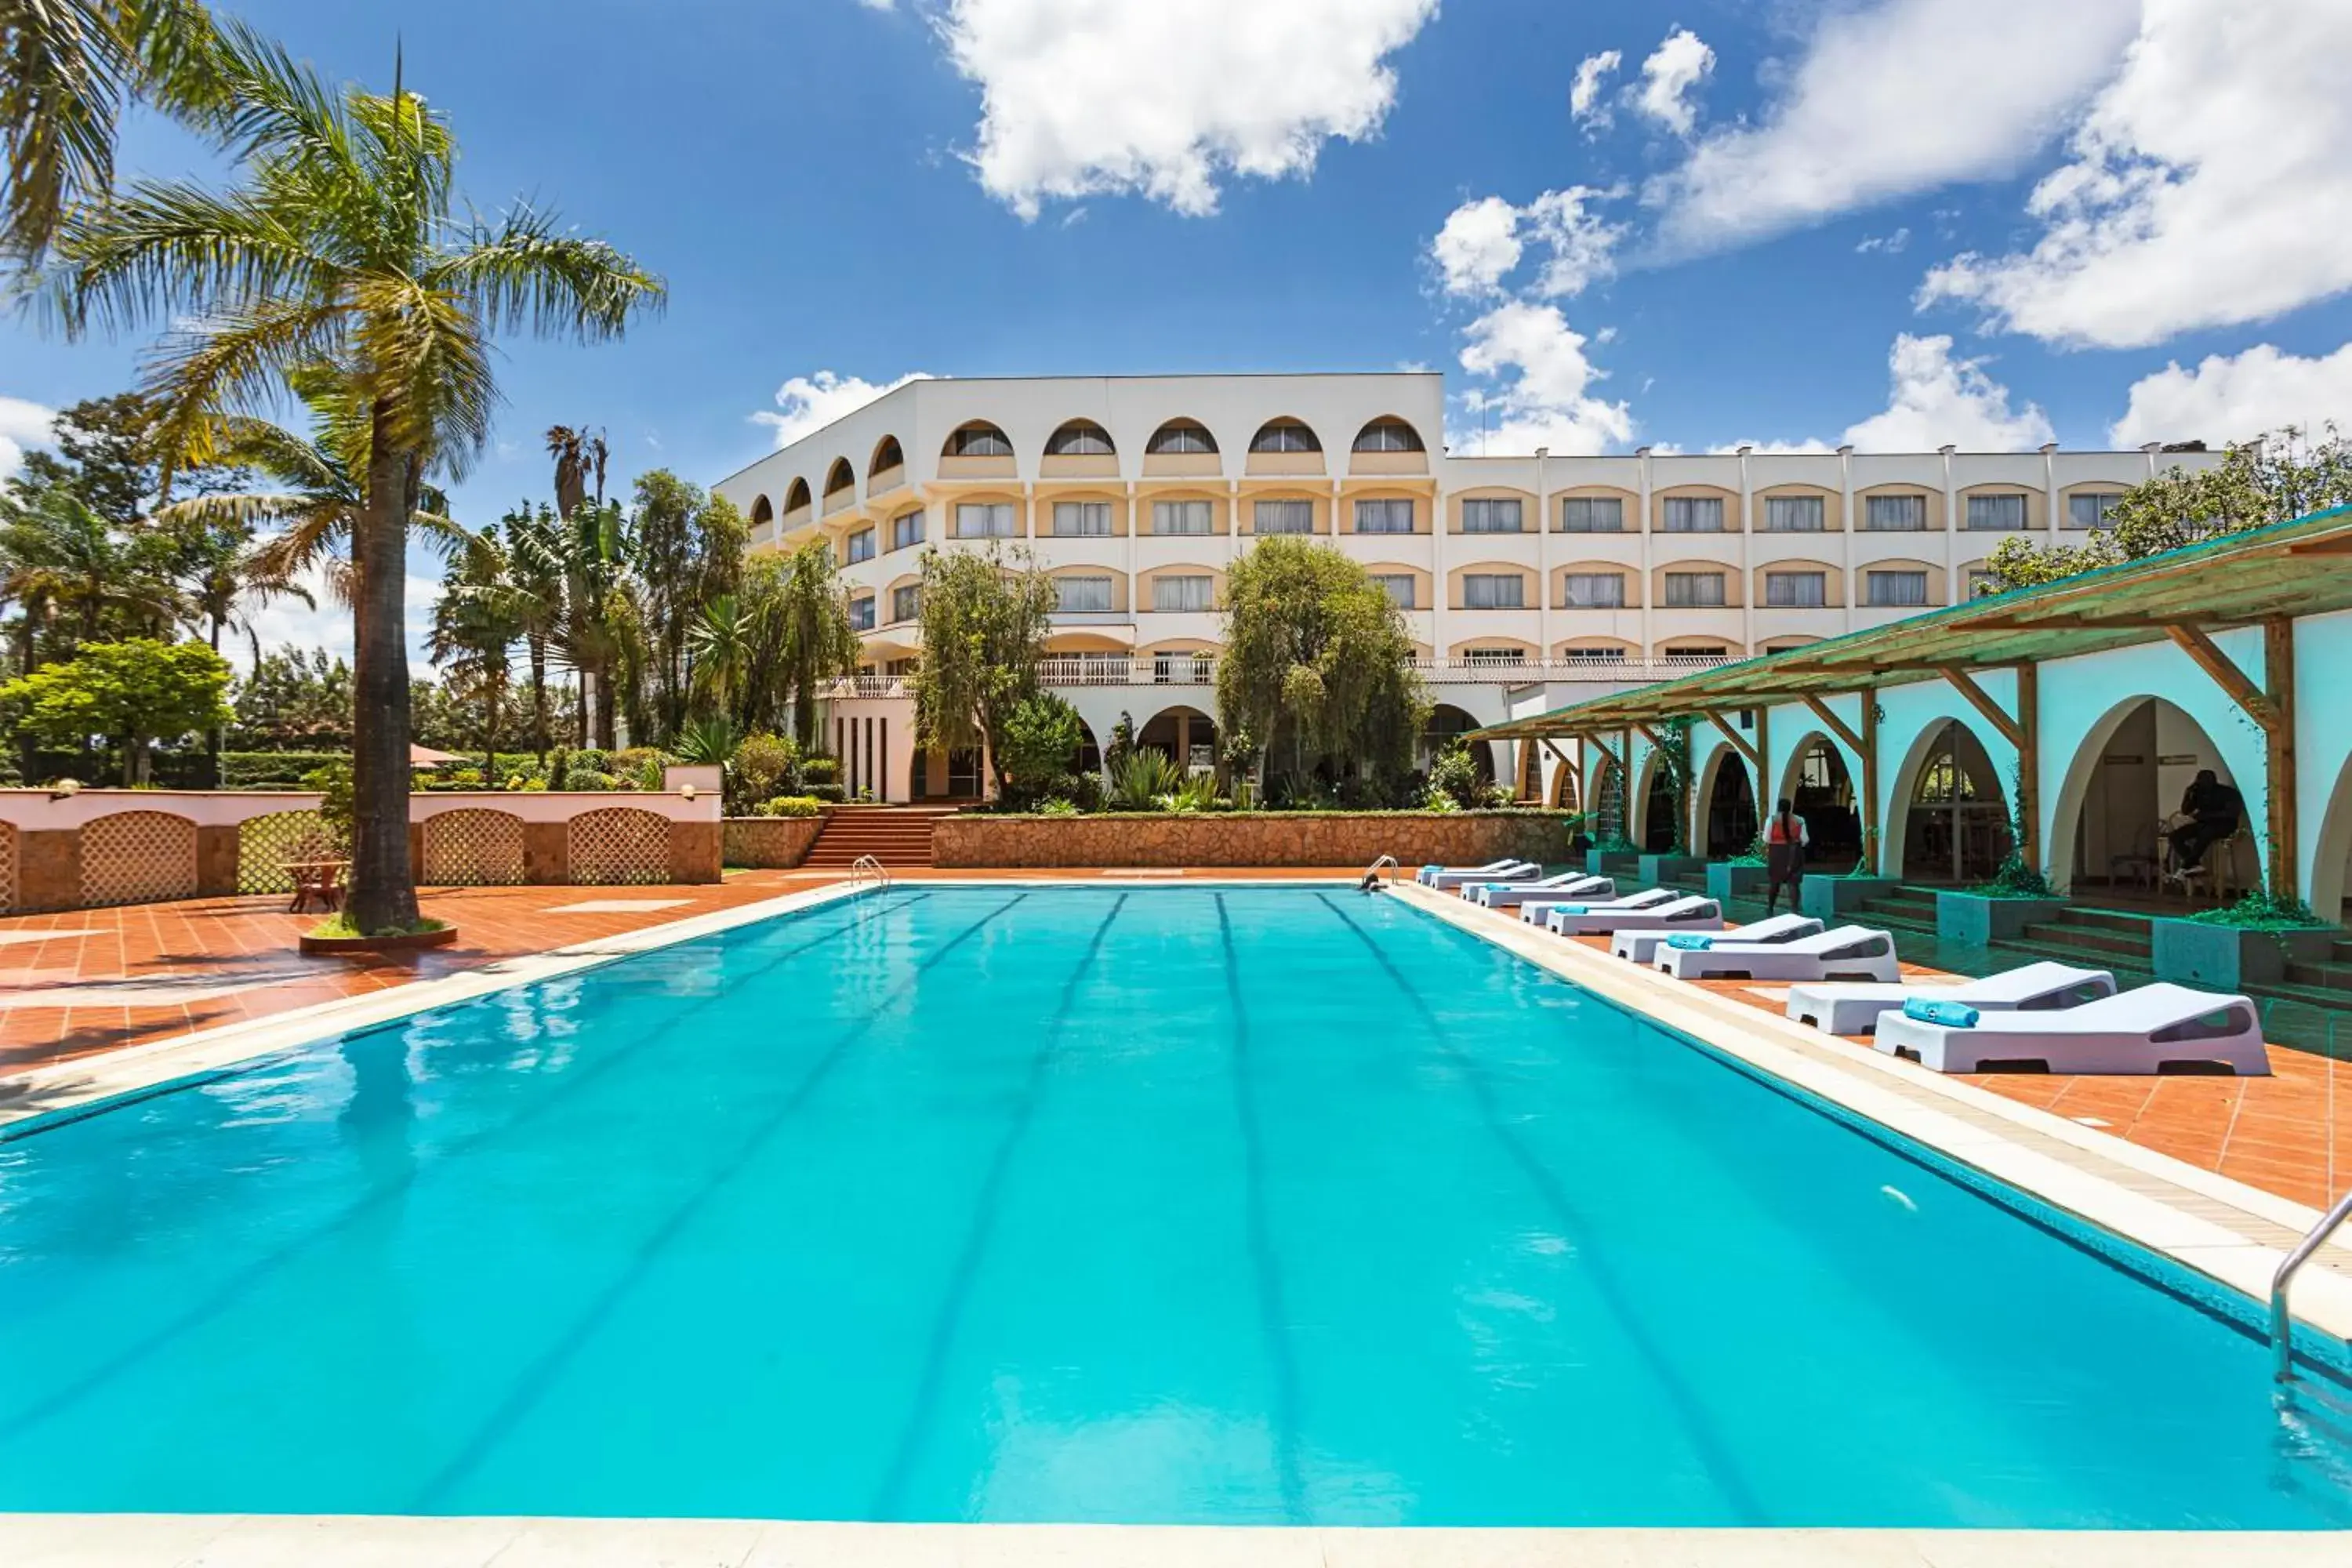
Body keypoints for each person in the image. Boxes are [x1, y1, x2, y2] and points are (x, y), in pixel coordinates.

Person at [2167, 768, 2245, 878]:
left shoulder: (2227, 793)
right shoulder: (2198, 793)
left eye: (2205, 781)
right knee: (2175, 836)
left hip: (2225, 825)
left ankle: (2186, 865)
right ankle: (2194, 864)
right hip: (2204, 824)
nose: (2202, 784)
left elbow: (2232, 813)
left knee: (2206, 832)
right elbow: (2186, 811)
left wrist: (2207, 815)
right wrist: (2188, 794)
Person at [1764, 797, 1808, 914]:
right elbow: (1805, 840)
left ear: (1778, 808)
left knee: (1774, 882)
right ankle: (1794, 909)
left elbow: (1766, 838)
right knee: (1793, 884)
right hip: (1794, 853)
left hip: (1777, 853)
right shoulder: (1799, 820)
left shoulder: (1771, 820)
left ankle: (1770, 908)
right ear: (1790, 808)